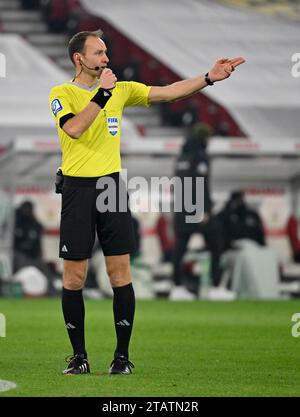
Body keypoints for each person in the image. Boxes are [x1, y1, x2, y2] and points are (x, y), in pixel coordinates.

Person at [49, 29, 245, 375]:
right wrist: (103, 94)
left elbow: (168, 93)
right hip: (77, 190)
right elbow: (75, 129)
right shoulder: (62, 93)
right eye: (98, 53)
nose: (106, 59)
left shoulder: (122, 90)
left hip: (111, 187)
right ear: (78, 58)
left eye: (106, 52)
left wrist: (208, 78)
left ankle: (121, 359)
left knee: (119, 272)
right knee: (74, 278)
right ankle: (79, 358)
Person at [170, 123, 223, 300]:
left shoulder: (181, 157)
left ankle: (176, 287)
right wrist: (205, 209)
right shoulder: (200, 156)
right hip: (198, 210)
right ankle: (216, 287)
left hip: (182, 208)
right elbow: (201, 184)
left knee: (179, 249)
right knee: (216, 245)